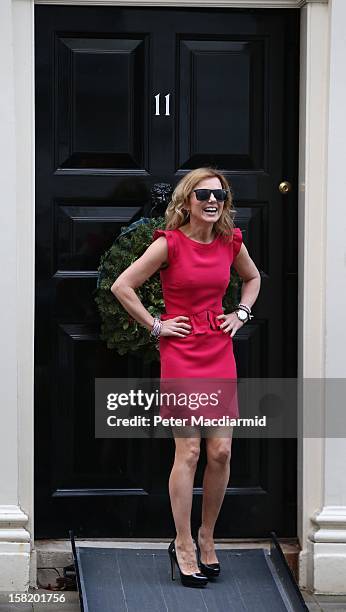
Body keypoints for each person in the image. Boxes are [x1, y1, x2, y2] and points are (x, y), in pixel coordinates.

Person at [111, 167, 261, 588]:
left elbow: (252, 279)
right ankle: (182, 543)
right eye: (204, 194)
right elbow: (123, 286)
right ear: (187, 201)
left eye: (220, 195)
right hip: (181, 353)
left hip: (218, 350)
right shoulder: (170, 244)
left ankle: (207, 537)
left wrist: (241, 313)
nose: (213, 201)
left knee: (221, 453)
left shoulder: (231, 242)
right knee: (190, 452)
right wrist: (156, 326)